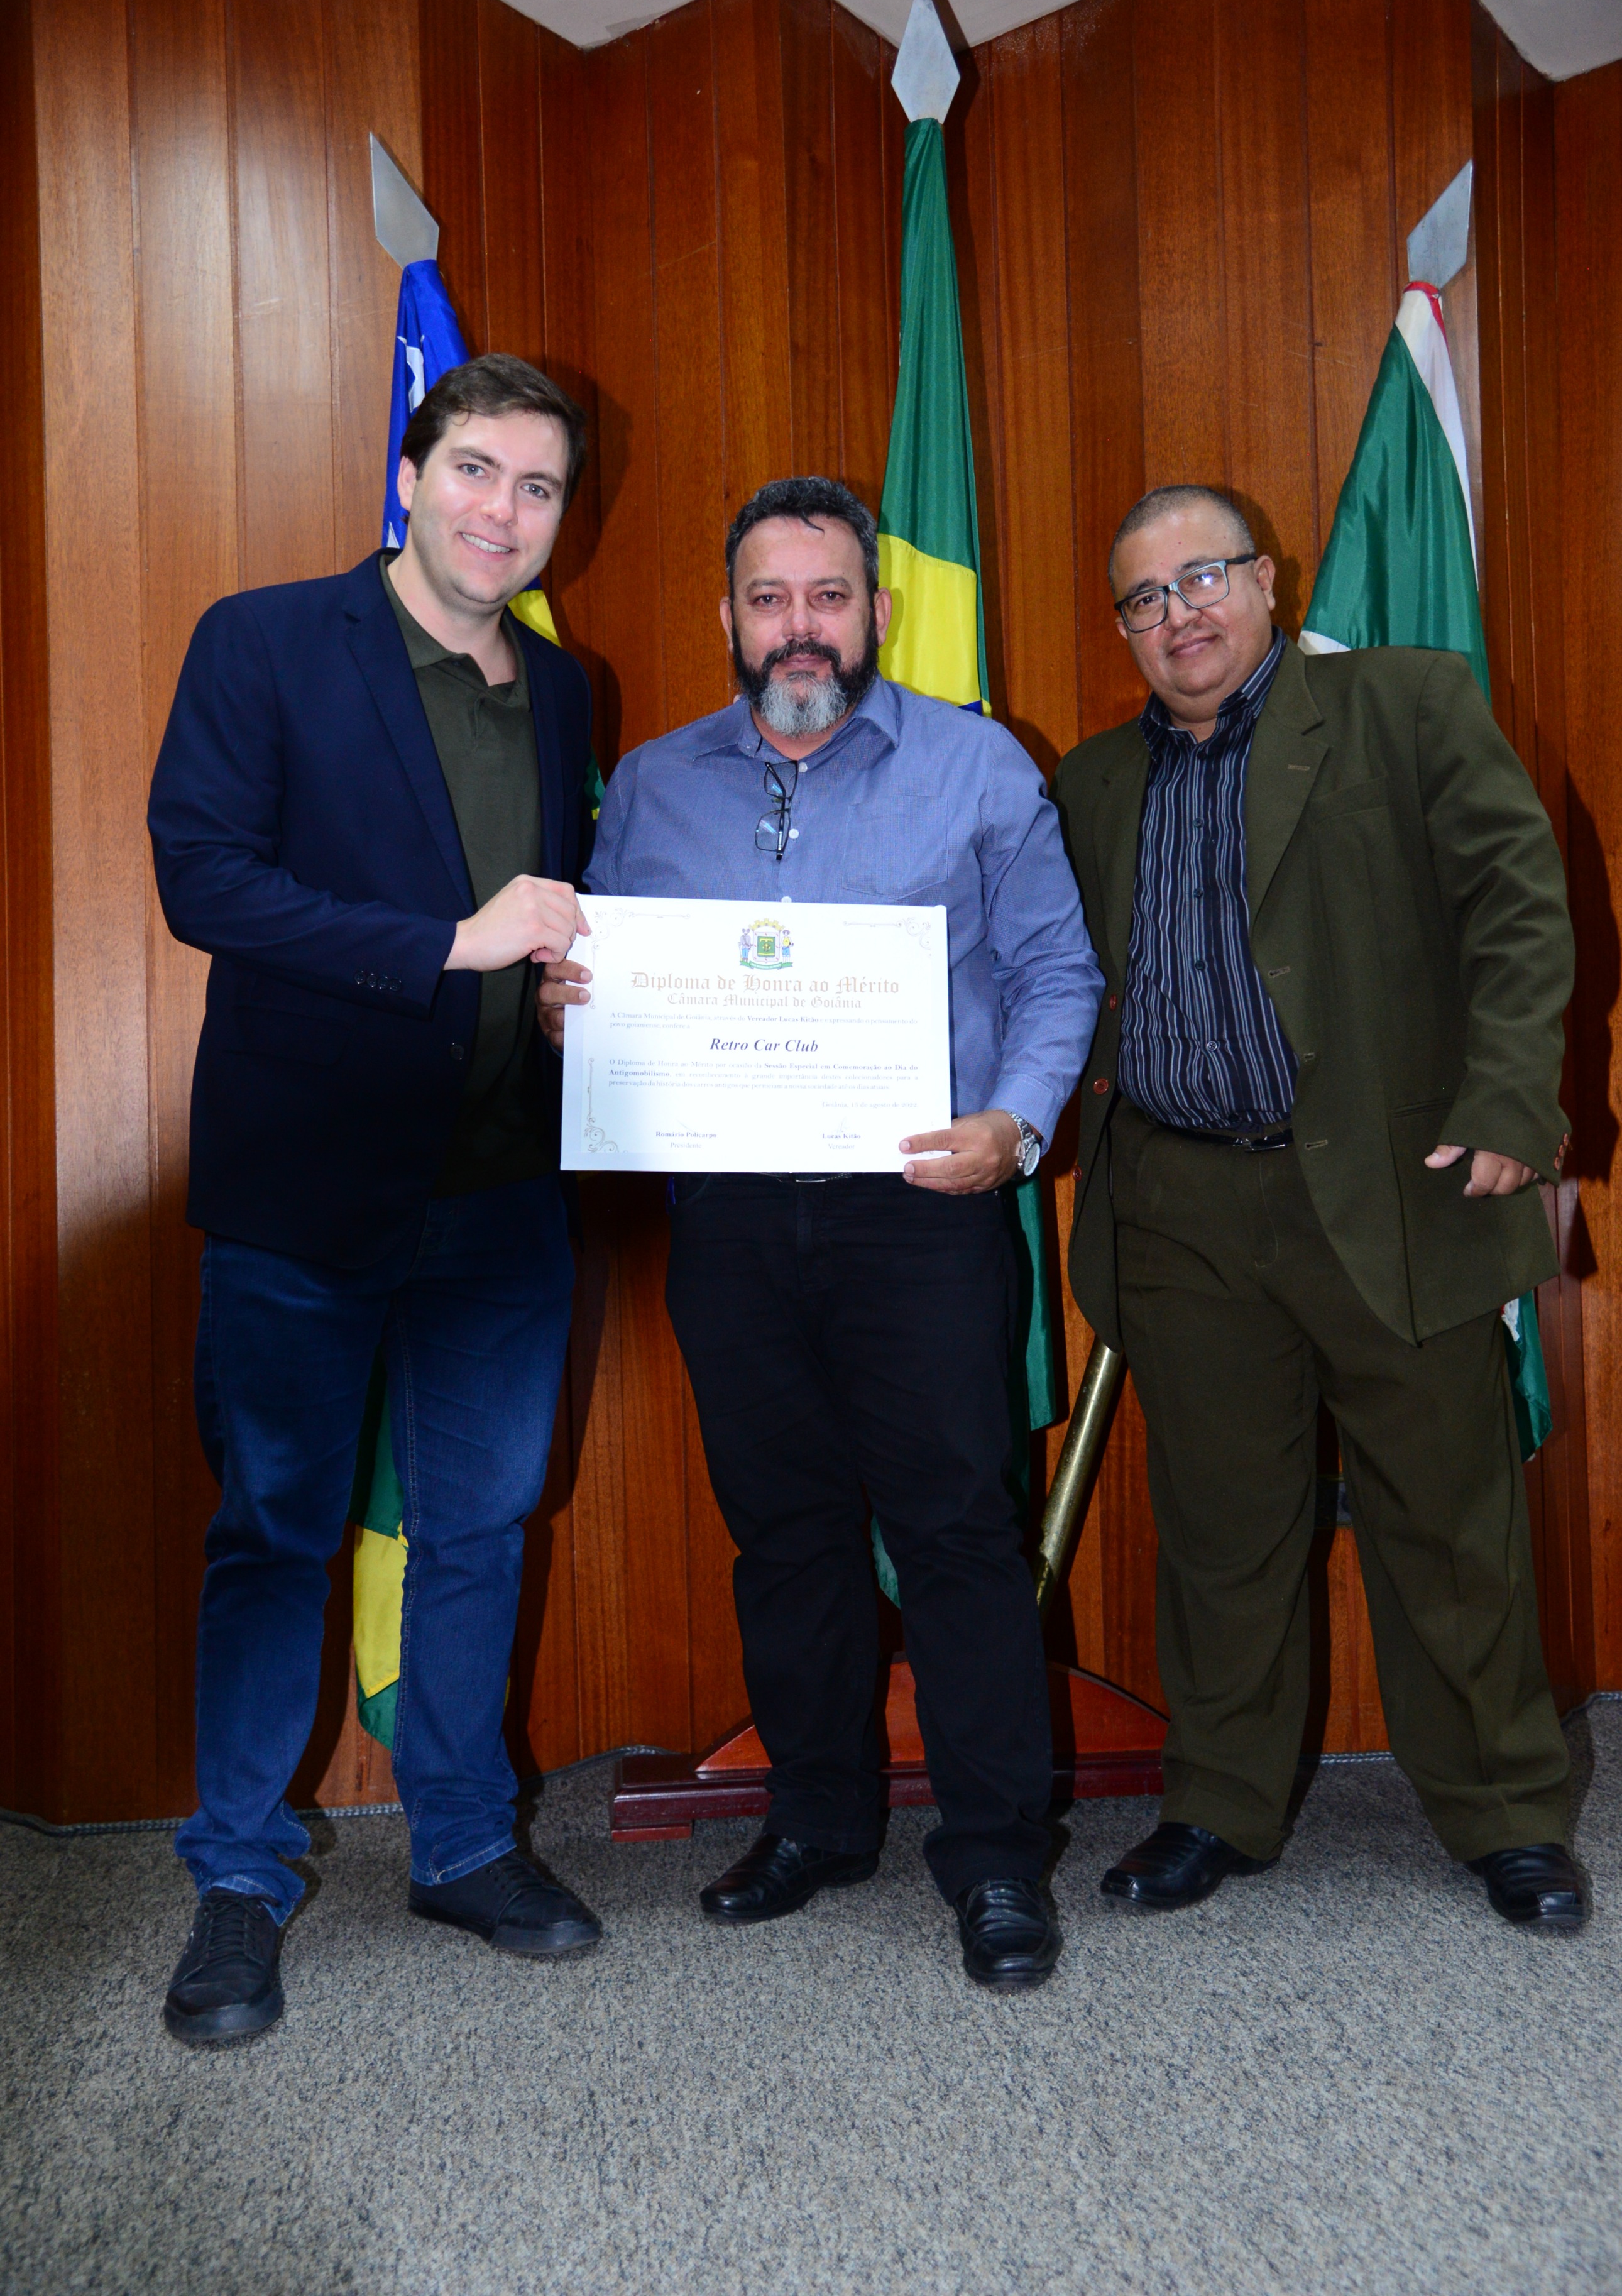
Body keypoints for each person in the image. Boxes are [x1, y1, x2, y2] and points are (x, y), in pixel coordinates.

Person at [542, 475, 1102, 1989]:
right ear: (728, 616)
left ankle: (995, 1854)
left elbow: (1057, 974)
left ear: (877, 611)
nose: (802, 626)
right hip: (728, 1217)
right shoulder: (650, 785)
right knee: (784, 1529)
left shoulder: (978, 765)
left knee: (957, 1529)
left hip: (921, 1208)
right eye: (771, 597)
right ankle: (818, 1817)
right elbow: (606, 979)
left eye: (830, 597)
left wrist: (1015, 1123)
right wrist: (572, 1015)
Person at [1049, 483, 1586, 1931]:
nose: (1178, 614)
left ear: (1268, 581)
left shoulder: (1403, 706)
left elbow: (1518, 899)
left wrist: (1508, 1098)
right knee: (1218, 1531)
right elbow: (1046, 975)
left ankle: (1504, 1812)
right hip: (1178, 1203)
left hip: (1391, 1190)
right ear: (1124, 631)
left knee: (1450, 1522)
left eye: (1202, 577)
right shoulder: (1092, 784)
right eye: (1144, 599)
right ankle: (1216, 1803)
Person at [148, 354, 601, 2046]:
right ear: (410, 474)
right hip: (306, 1189)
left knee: (481, 1527)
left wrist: (550, 994)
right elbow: (204, 878)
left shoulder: (564, 688)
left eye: (538, 487)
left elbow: (547, 913)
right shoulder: (263, 639)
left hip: (501, 1195)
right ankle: (238, 1876)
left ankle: (466, 1843)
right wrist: (449, 946)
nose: (502, 511)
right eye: (475, 469)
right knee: (275, 1533)